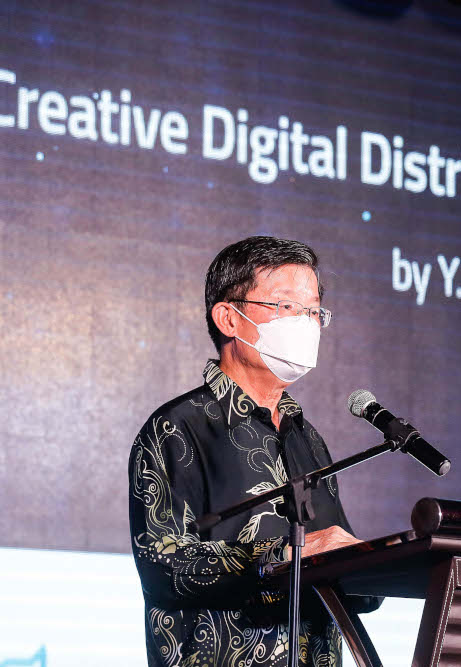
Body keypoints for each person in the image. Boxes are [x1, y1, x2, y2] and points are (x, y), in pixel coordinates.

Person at [129, 236, 374, 666]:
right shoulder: (177, 428)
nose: (306, 323)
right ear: (229, 318)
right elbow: (162, 564)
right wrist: (282, 556)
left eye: (314, 311)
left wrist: (372, 567)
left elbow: (335, 560)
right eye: (287, 306)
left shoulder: (308, 438)